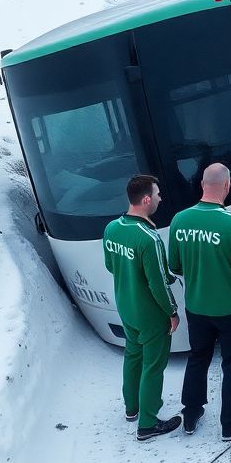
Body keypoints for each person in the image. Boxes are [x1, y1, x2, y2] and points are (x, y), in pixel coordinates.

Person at [168, 163, 231, 442]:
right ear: (227, 185)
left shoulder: (179, 220)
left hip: (196, 307)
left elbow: (175, 265)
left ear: (202, 185)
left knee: (199, 357)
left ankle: (191, 413)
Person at [102, 175, 182, 441]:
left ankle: (131, 407)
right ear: (146, 200)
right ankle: (148, 423)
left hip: (125, 307)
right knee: (153, 365)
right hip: (150, 314)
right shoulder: (149, 238)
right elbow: (158, 283)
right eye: (157, 195)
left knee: (132, 355)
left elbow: (111, 266)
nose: (160, 198)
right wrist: (171, 311)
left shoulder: (112, 228)